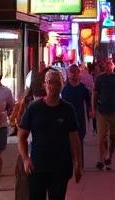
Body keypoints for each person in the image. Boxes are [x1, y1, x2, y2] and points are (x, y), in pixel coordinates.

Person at [18, 68, 84, 200]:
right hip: (37, 167)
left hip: (61, 167)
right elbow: (21, 137)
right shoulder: (34, 108)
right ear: (44, 85)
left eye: (57, 82)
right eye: (49, 82)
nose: (53, 86)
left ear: (62, 85)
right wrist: (25, 159)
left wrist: (78, 163)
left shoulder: (67, 109)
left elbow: (74, 138)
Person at [92, 58, 115, 170]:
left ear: (113, 66)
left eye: (110, 65)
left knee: (113, 137)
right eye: (107, 65)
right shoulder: (100, 79)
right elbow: (95, 94)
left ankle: (110, 156)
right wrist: (93, 108)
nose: (108, 67)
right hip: (101, 111)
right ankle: (101, 159)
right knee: (102, 137)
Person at [62, 64, 93, 153]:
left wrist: (90, 112)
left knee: (79, 145)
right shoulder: (65, 89)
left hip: (80, 121)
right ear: (69, 73)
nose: (74, 74)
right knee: (68, 146)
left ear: (79, 73)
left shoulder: (83, 88)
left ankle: (79, 162)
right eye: (72, 72)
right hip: (67, 121)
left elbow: (88, 103)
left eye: (76, 72)